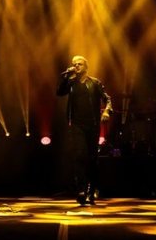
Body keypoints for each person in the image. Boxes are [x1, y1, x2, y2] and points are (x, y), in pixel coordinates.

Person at [56, 55, 113, 205]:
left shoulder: (94, 83)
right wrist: (66, 77)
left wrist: (107, 111)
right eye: (74, 64)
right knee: (80, 155)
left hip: (92, 125)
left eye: (79, 64)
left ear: (86, 67)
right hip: (77, 124)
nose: (76, 66)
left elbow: (107, 99)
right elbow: (59, 92)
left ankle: (91, 190)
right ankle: (81, 190)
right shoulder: (71, 83)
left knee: (92, 158)